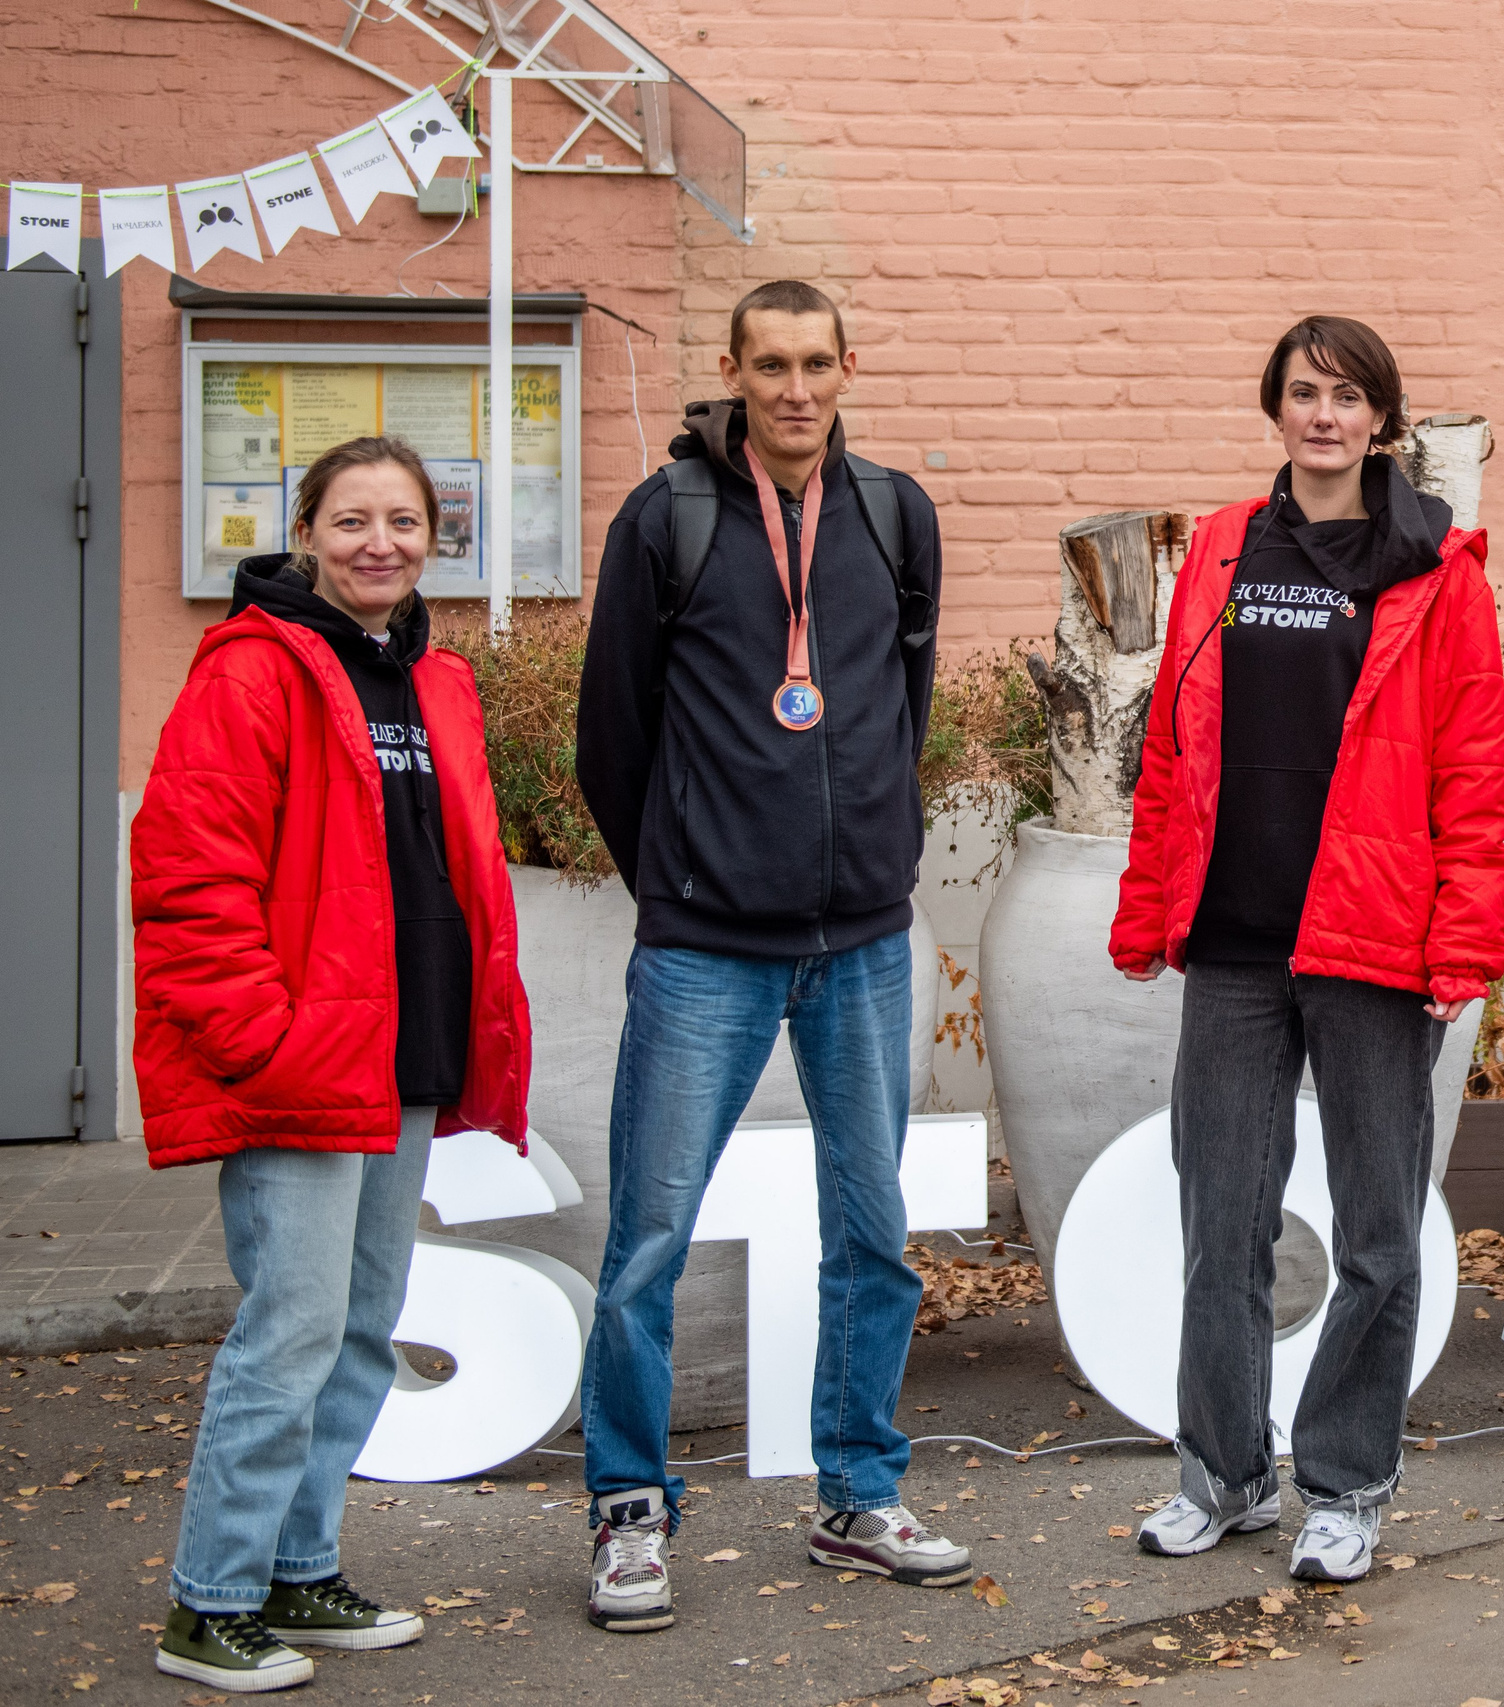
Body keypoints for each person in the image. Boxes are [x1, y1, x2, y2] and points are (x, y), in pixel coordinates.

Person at [575, 279, 956, 1631]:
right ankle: (628, 1506)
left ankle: (857, 1491)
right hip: (705, 946)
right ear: (731, 370)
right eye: (770, 365)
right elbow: (609, 736)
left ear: (849, 367)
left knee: (873, 1232)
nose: (795, 389)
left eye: (817, 363)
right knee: (648, 1242)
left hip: (860, 940)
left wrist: (870, 854)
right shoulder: (666, 520)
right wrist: (683, 876)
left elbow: (898, 707)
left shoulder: (893, 515)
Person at [1109, 315, 1504, 1583]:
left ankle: (1345, 1484)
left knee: (1376, 1234)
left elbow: (1470, 765)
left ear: (1381, 419)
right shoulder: (1225, 546)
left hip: (1373, 943)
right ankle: (1223, 1476)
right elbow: (1173, 745)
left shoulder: (1436, 565)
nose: (1323, 416)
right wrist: (1144, 902)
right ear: (1275, 410)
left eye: (1347, 397)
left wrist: (1464, 941)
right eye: (1302, 394)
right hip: (1234, 940)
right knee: (1219, 1220)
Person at [132, 436, 533, 1692]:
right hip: (301, 1065)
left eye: (403, 521)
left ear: (433, 537)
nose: (379, 542)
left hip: (401, 1059)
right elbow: (189, 876)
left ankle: (300, 1570)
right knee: (289, 1333)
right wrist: (262, 1037)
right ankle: (210, 1600)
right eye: (352, 519)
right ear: (307, 531)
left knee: (361, 1332)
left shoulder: (434, 681)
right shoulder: (254, 673)